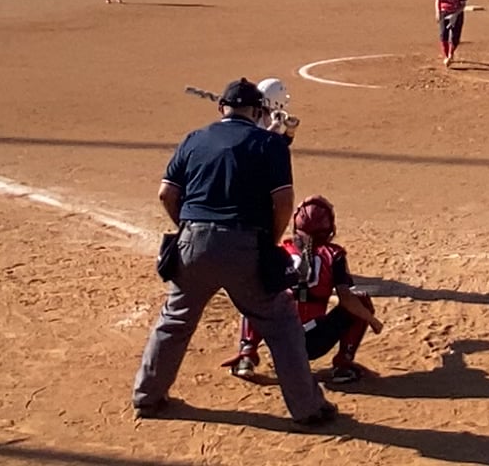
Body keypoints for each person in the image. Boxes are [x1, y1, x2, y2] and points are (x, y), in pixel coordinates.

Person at [132, 78, 338, 428]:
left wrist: (188, 229)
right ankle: (308, 408)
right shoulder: (270, 144)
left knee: (175, 320)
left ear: (221, 108)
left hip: (193, 244)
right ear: (257, 112)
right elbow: (283, 202)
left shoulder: (194, 139)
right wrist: (270, 242)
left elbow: (166, 193)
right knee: (281, 325)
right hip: (245, 245)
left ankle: (146, 397)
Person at [224, 195, 382, 385]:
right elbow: (347, 299)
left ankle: (247, 354)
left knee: (256, 295)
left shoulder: (282, 250)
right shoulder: (333, 255)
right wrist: (372, 321)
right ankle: (343, 365)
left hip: (280, 338)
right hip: (314, 342)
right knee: (360, 299)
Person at [434, 0, 469, 67]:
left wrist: (455, 15)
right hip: (444, 12)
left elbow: (463, 4)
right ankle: (447, 56)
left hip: (457, 13)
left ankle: (451, 53)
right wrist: (438, 12)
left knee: (455, 37)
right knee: (443, 35)